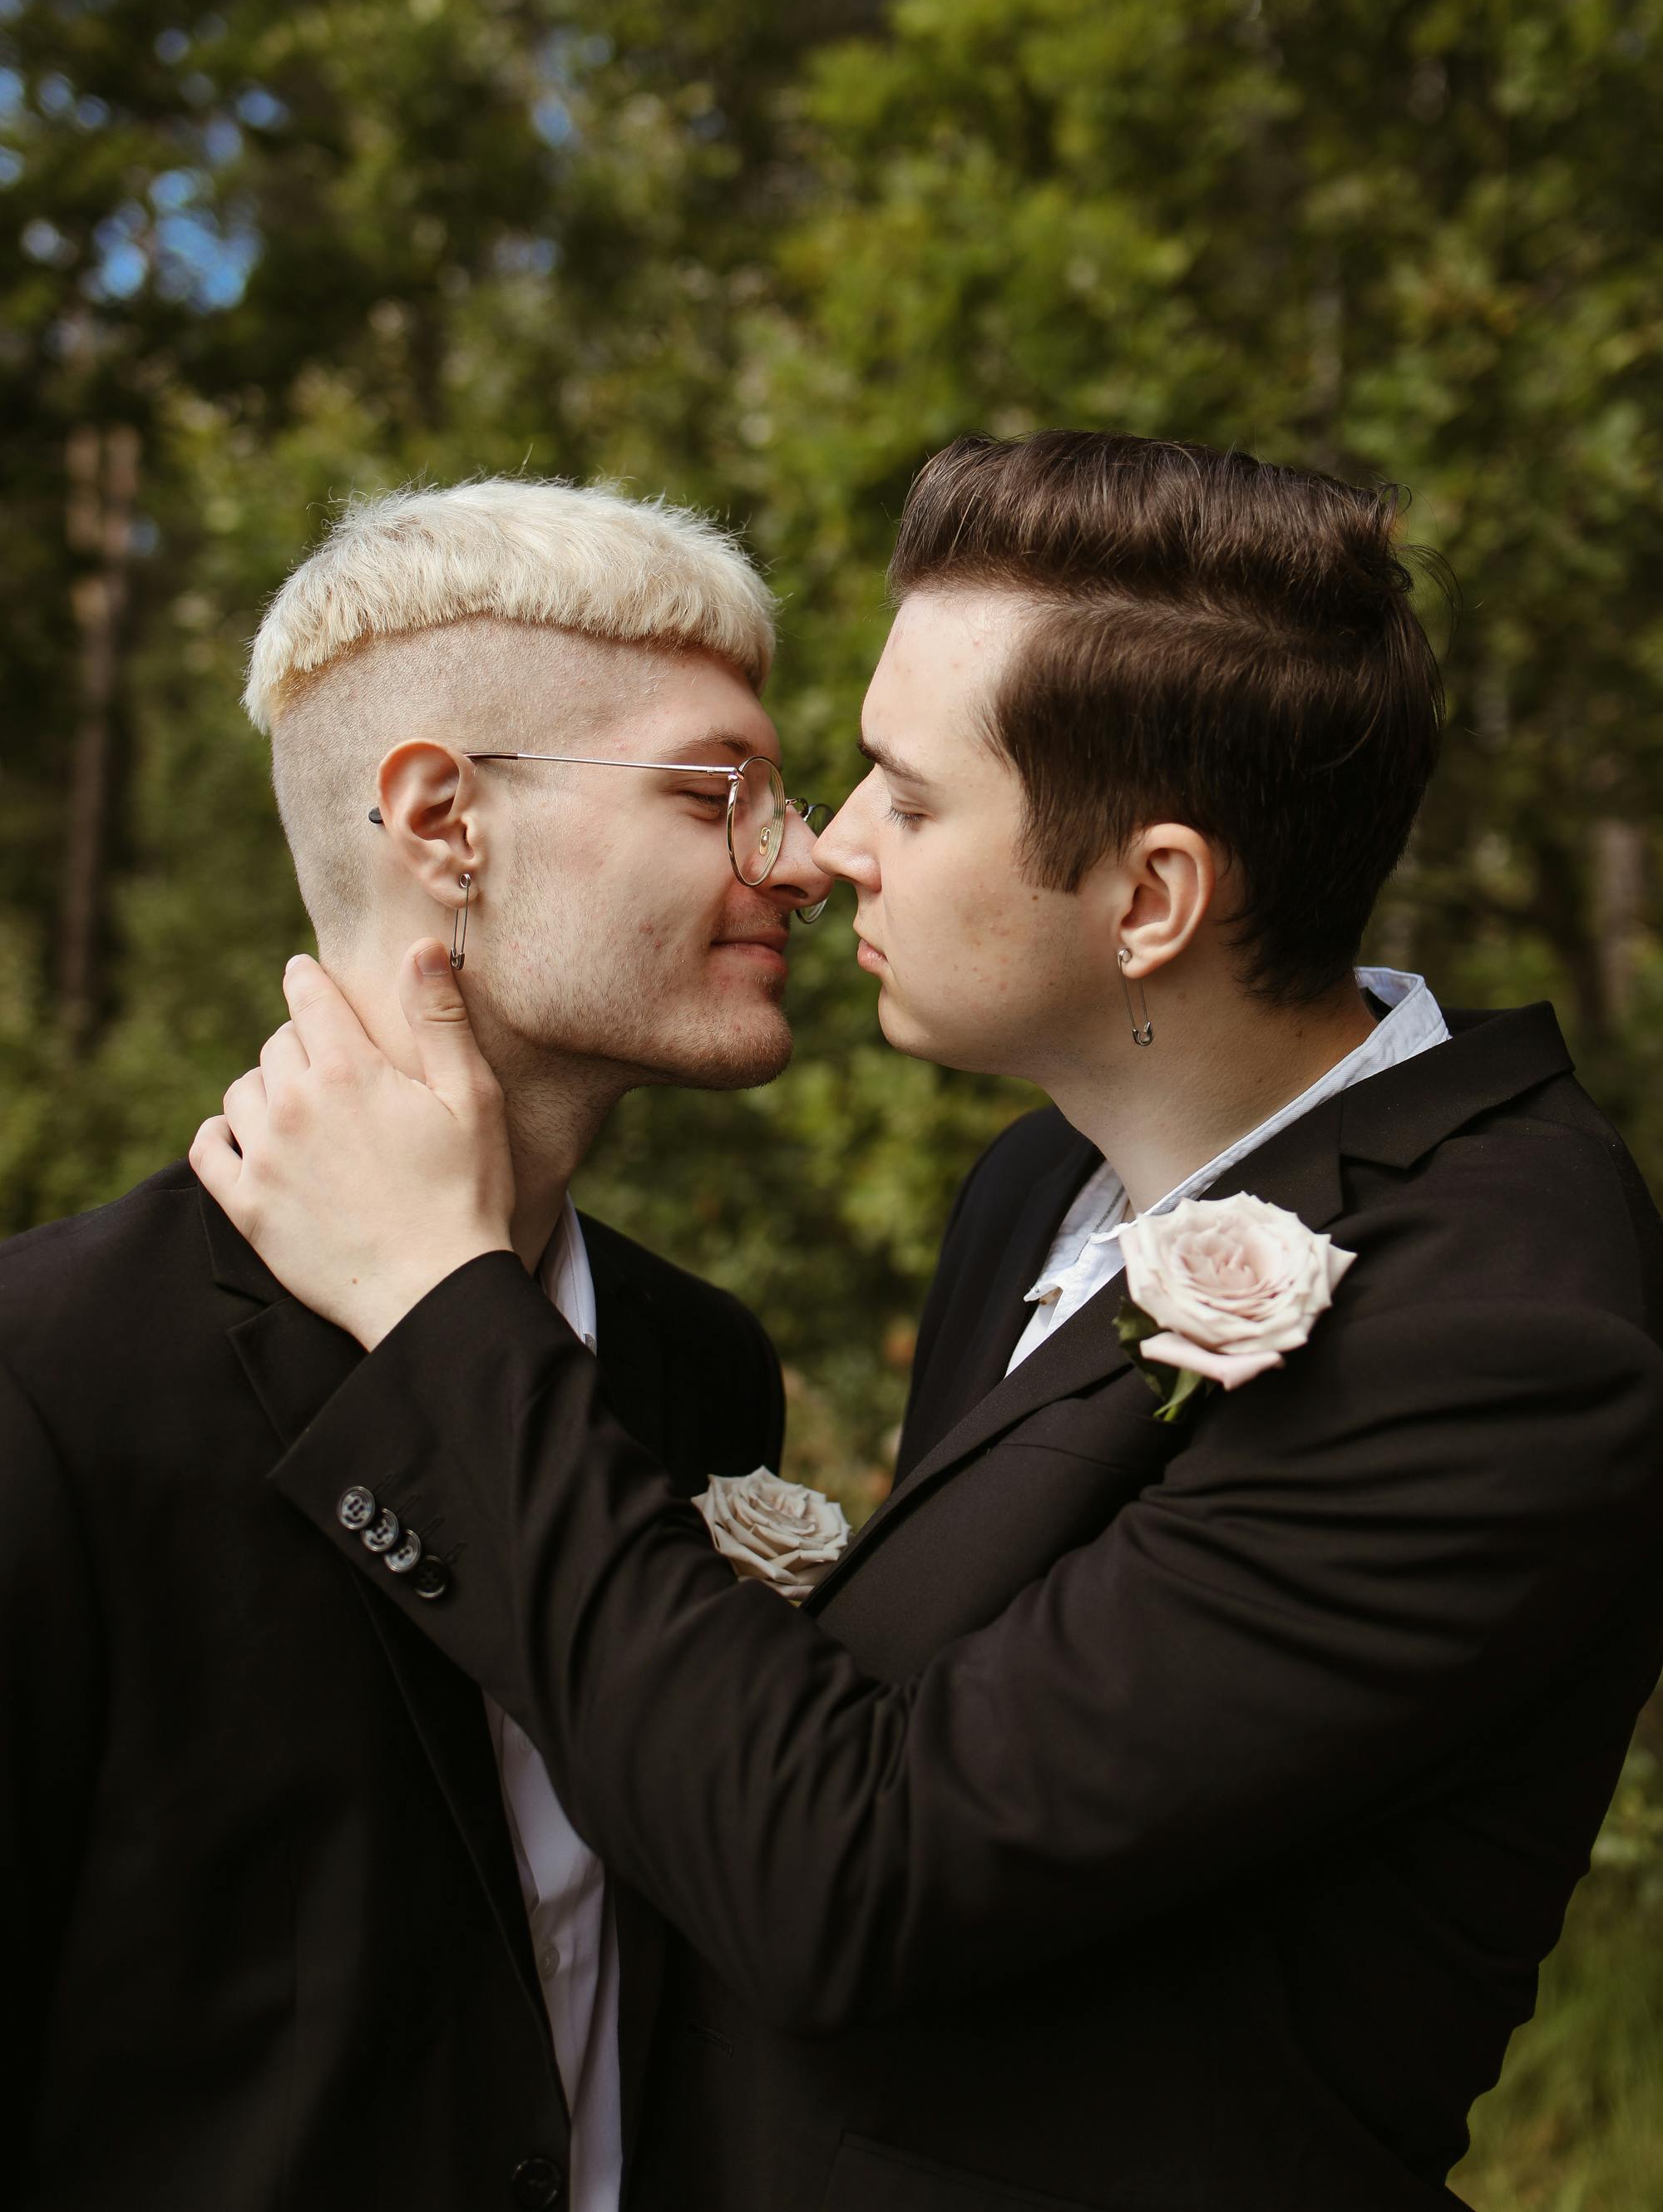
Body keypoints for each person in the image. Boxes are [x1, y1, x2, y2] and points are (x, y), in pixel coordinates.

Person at [197, 432, 1663, 2212]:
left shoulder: (1503, 1331)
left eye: (905, 794)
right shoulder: (1031, 1188)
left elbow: (858, 1874)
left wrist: (438, 1300)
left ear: (1150, 900)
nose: (824, 855)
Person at [0, 475, 832, 2212]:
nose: (806, 855)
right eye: (717, 793)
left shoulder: (698, 1366)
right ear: (443, 818)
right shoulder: (45, 1384)